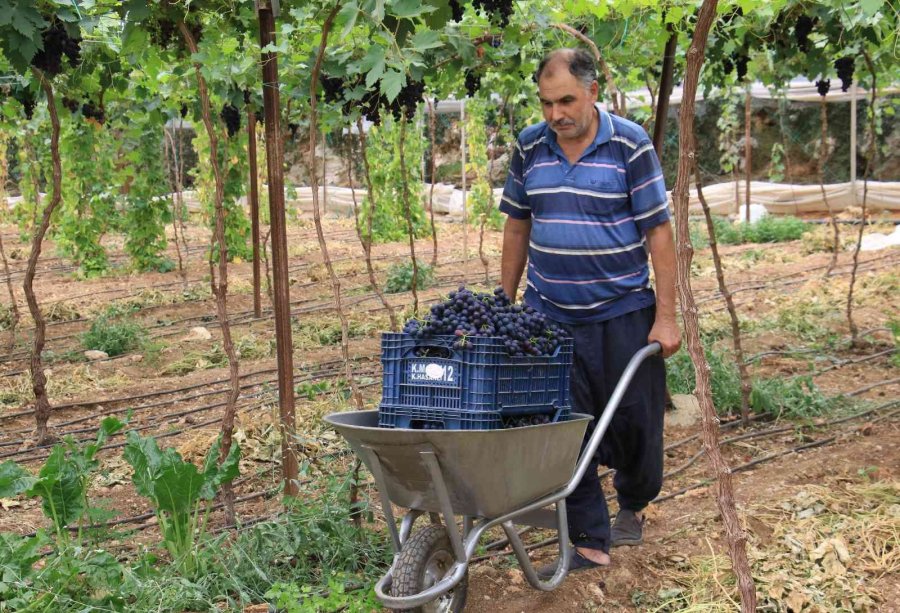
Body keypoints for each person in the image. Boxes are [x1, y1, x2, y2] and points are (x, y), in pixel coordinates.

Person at [498, 48, 681, 573]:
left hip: (622, 310)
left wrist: (665, 316)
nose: (556, 114)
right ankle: (589, 537)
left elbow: (659, 233)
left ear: (593, 91)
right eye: (547, 103)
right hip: (549, 314)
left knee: (635, 425)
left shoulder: (629, 144)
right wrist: (505, 305)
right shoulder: (530, 147)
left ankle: (635, 502)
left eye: (566, 101)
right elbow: (517, 225)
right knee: (561, 425)